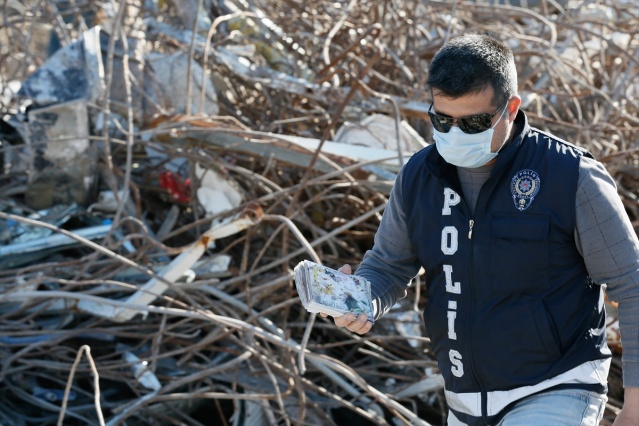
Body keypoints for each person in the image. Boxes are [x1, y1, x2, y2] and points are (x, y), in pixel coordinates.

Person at [321, 34, 639, 425]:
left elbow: (633, 283)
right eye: (442, 119)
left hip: (558, 387)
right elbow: (388, 266)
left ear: (511, 108)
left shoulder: (570, 176)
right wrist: (360, 301)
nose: (455, 134)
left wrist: (636, 407)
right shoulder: (418, 177)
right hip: (465, 403)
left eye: (472, 122)